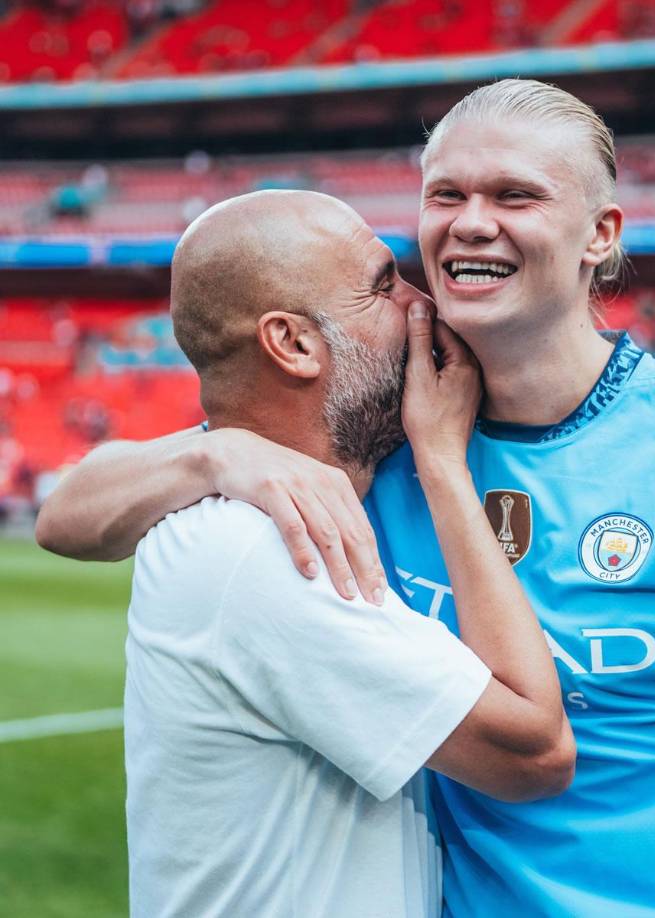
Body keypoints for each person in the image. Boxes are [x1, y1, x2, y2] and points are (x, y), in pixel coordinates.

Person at [37, 81, 655, 916]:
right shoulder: (372, 429)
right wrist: (219, 451)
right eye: (447, 195)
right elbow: (67, 513)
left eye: (515, 195)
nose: (472, 221)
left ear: (601, 233)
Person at [110, 189, 575, 916]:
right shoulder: (266, 555)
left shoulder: (235, 507)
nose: (424, 305)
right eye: (384, 286)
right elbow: (534, 753)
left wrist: (215, 453)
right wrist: (443, 462)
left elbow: (67, 514)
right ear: (293, 344)